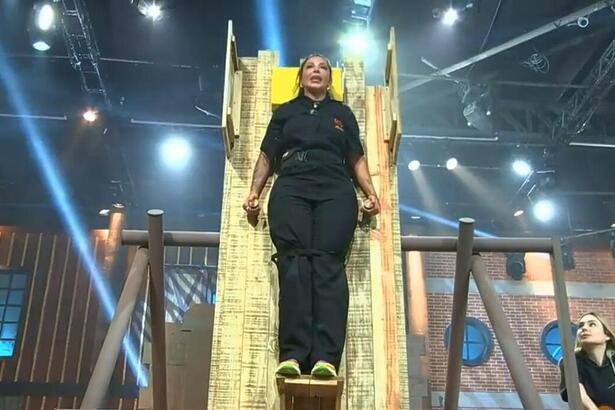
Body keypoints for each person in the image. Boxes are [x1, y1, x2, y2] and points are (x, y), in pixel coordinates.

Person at [242, 53, 380, 378]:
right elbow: (267, 155)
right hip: (292, 183)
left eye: (323, 68)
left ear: (330, 80)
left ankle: (326, 359)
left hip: (335, 185)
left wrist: (370, 193)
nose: (316, 71)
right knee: (294, 263)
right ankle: (292, 354)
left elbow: (356, 158)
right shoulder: (287, 113)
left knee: (328, 265)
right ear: (301, 78)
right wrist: (254, 192)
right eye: (310, 67)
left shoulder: (341, 114)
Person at [559, 312, 615, 409]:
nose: (584, 328)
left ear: (607, 335)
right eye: (581, 326)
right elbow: (577, 391)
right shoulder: (571, 361)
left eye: (592, 324)